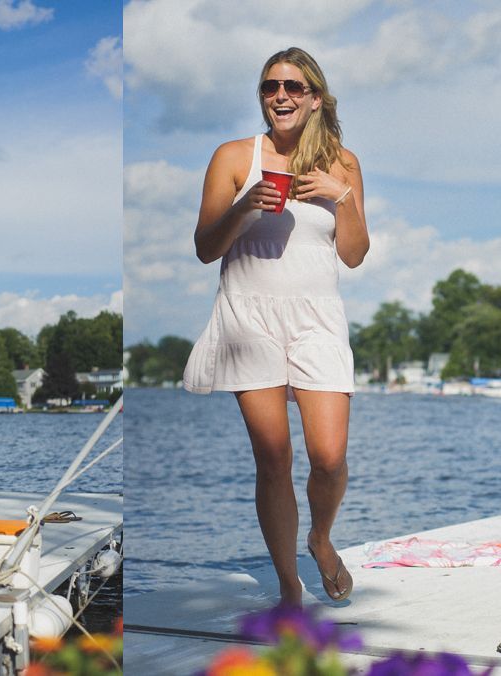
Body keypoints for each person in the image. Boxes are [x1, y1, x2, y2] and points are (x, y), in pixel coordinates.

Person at [183, 47, 369, 606]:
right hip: (249, 316)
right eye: (269, 86)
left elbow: (355, 255)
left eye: (292, 86)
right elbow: (204, 249)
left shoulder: (343, 162)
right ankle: (289, 586)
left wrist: (345, 200)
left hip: (318, 318)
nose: (280, 95)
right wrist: (242, 208)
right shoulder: (234, 156)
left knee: (330, 457)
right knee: (274, 459)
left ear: (315, 97)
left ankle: (320, 538)